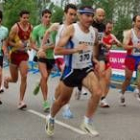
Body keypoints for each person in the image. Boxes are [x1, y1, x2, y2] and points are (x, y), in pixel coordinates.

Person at [45, 6, 102, 136]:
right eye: (86, 15)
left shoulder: (93, 31)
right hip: (71, 70)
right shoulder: (72, 29)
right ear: (80, 16)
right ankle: (51, 117)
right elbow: (57, 50)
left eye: (91, 16)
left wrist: (94, 59)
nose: (90, 18)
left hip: (86, 68)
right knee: (62, 101)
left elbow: (93, 46)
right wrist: (75, 50)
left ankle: (87, 121)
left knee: (98, 92)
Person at [41, 4, 77, 118]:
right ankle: (66, 107)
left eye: (75, 15)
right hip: (60, 56)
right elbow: (47, 33)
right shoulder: (58, 26)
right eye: (70, 14)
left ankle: (55, 98)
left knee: (63, 82)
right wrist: (42, 47)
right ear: (65, 14)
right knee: (66, 76)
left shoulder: (76, 28)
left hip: (71, 57)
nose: (73, 17)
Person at [4, 10, 32, 109]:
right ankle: (6, 79)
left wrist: (29, 45)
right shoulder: (15, 28)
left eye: (27, 18)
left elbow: (30, 40)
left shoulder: (30, 27)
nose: (26, 20)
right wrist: (16, 45)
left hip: (23, 55)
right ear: (20, 18)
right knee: (14, 79)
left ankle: (21, 101)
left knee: (24, 76)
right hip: (14, 55)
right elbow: (8, 42)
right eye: (24, 18)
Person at [31, 9, 54, 112]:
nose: (48, 19)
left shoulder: (54, 28)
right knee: (44, 76)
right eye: (45, 16)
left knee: (45, 78)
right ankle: (45, 103)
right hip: (41, 57)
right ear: (42, 17)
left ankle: (39, 83)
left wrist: (46, 48)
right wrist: (39, 50)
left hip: (51, 57)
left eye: (49, 17)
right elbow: (32, 44)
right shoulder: (36, 29)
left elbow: (56, 44)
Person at [98, 21, 121, 107]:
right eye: (108, 28)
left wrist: (116, 43)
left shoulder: (112, 36)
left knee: (108, 81)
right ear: (104, 27)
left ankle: (103, 99)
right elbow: (98, 42)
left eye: (111, 28)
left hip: (107, 59)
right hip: (99, 59)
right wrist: (105, 44)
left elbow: (119, 43)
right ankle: (100, 97)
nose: (110, 29)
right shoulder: (100, 35)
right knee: (101, 77)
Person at [120, 15, 140, 106]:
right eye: (138, 21)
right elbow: (124, 46)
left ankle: (137, 90)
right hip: (130, 58)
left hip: (139, 58)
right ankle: (122, 93)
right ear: (134, 22)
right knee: (128, 79)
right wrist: (134, 46)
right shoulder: (129, 33)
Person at [0, 10, 8, 104]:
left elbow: (6, 43)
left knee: (0, 72)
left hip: (0, 54)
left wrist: (6, 52)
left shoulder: (5, 30)